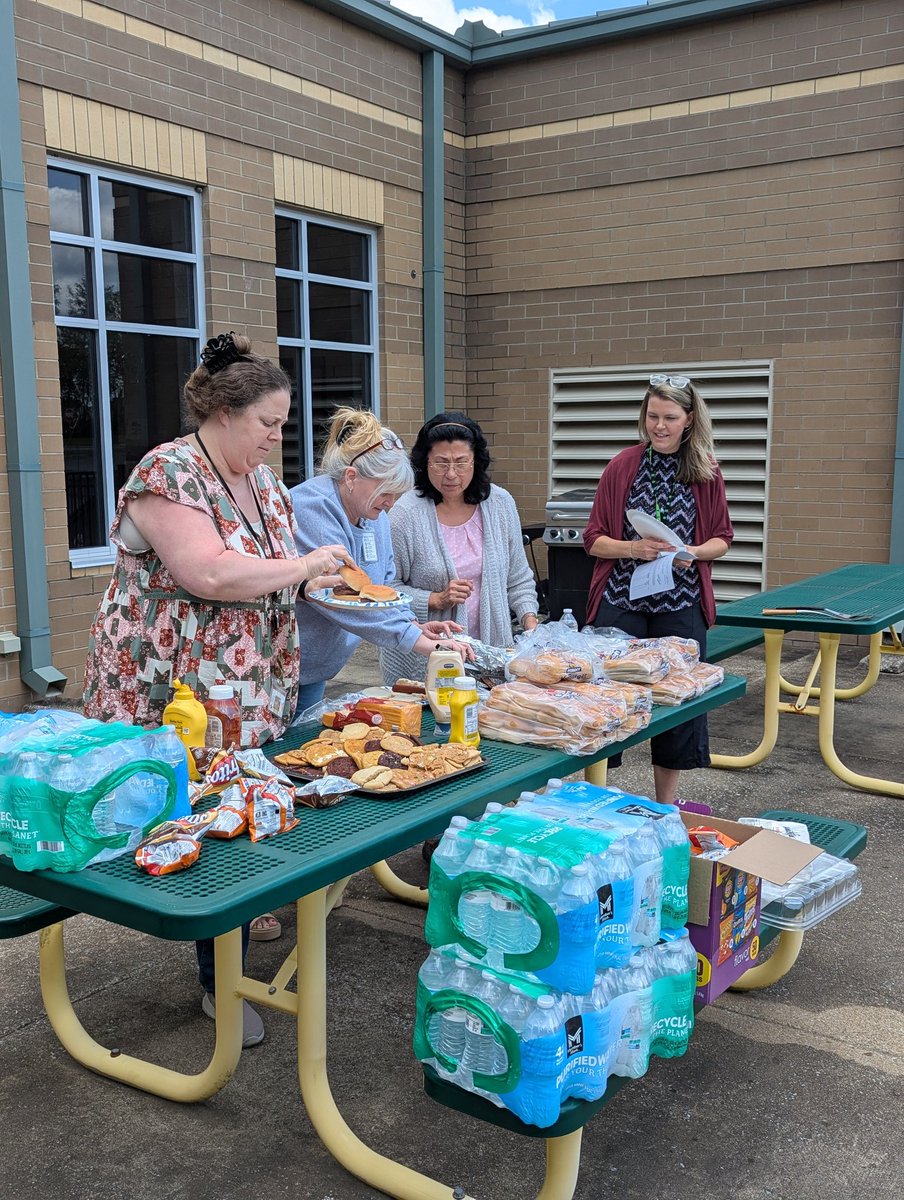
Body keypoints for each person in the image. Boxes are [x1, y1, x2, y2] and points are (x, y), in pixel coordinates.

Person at [83, 331, 349, 1047]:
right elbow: (210, 573)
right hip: (176, 685)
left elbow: (278, 566)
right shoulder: (166, 473)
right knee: (191, 801)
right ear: (226, 413)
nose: (277, 436)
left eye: (282, 424)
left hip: (245, 685)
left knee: (237, 797)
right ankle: (215, 981)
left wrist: (323, 576)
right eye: (270, 422)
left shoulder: (261, 483)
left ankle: (224, 946)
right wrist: (302, 568)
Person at [583, 373, 733, 806]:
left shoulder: (706, 471)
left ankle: (665, 805)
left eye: (670, 417)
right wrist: (634, 547)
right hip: (622, 597)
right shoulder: (622, 465)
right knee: (608, 697)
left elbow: (723, 537)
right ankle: (596, 799)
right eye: (653, 416)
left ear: (689, 419)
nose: (660, 426)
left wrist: (694, 552)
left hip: (681, 598)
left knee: (679, 705)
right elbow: (593, 539)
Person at [290, 407, 471, 715]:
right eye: (386, 492)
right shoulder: (313, 508)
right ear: (351, 477)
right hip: (283, 665)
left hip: (316, 666)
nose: (390, 503)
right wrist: (413, 639)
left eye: (396, 494)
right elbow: (337, 595)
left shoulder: (375, 515)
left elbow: (382, 587)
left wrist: (414, 624)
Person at [379, 412, 539, 686]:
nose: (451, 474)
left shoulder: (500, 504)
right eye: (441, 463)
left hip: (491, 651)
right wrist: (435, 599)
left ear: (476, 461)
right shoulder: (405, 513)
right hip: (429, 657)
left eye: (461, 462)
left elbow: (518, 577)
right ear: (424, 462)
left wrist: (531, 624)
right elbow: (385, 589)